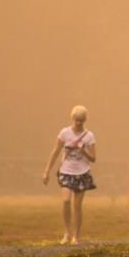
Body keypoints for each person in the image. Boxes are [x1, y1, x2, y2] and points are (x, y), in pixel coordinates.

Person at [42, 104, 98, 245]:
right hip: (66, 171)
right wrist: (47, 171)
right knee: (66, 201)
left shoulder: (89, 136)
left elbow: (93, 158)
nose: (78, 123)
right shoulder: (64, 133)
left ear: (85, 120)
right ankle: (67, 232)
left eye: (81, 120)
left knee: (77, 205)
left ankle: (76, 236)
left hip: (82, 172)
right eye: (76, 120)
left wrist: (83, 151)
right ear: (72, 118)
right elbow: (55, 152)